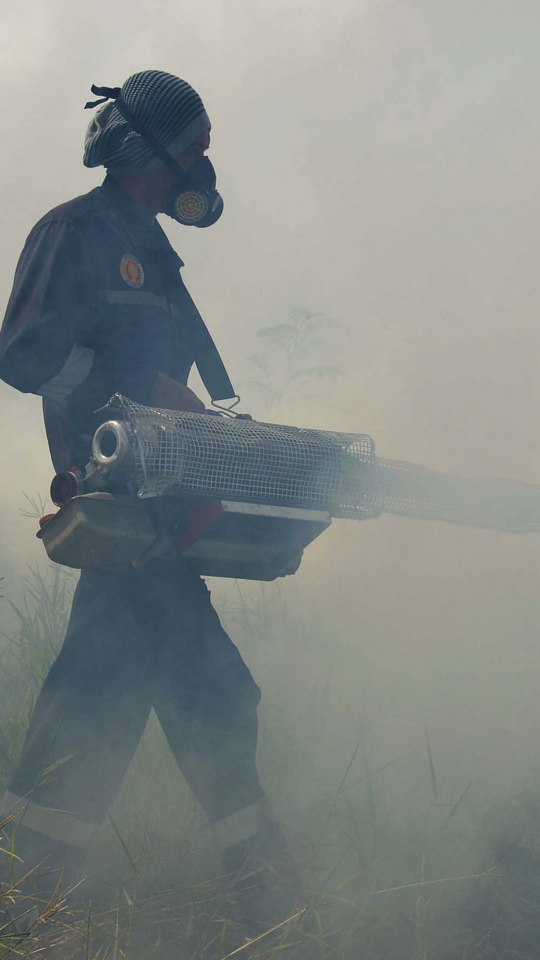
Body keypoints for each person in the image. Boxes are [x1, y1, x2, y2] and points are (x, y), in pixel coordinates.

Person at [0, 70, 299, 929]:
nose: (204, 172)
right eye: (196, 153)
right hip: (119, 516)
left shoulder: (155, 251)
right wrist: (134, 393)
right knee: (118, 703)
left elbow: (168, 386)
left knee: (188, 697)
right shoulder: (74, 231)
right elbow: (24, 357)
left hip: (161, 524)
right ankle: (30, 909)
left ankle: (34, 901)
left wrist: (208, 430)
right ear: (147, 152)